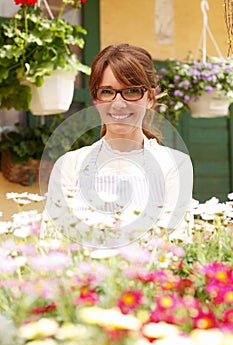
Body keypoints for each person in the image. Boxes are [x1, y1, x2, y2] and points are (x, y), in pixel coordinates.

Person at [42, 43, 193, 247]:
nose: (118, 103)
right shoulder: (70, 165)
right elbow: (52, 238)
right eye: (107, 92)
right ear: (96, 98)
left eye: (131, 91)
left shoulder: (174, 165)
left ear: (150, 98)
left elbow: (176, 242)